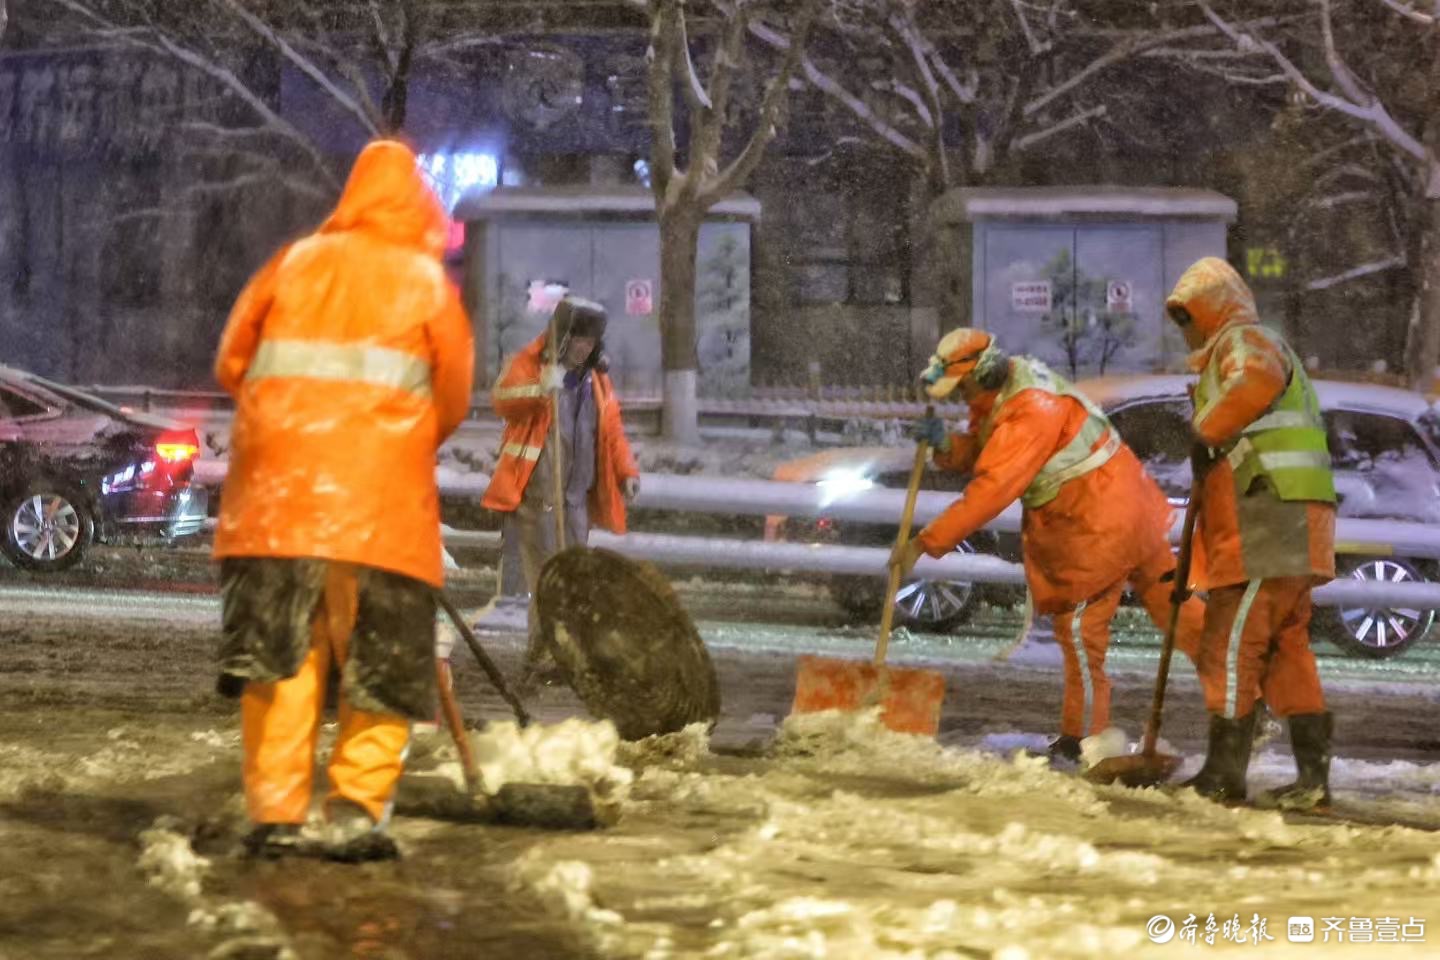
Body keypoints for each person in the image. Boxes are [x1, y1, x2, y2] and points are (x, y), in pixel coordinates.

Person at [212, 139, 474, 860]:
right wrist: (386, 440)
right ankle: (357, 807)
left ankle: (276, 813)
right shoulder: (425, 284)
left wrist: (289, 425)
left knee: (285, 660)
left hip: (275, 503)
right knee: (382, 658)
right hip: (382, 511)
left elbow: (233, 360)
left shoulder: (292, 264)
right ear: (416, 202)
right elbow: (450, 398)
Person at [891, 328, 1205, 764]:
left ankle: (1089, 741)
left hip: (1097, 521)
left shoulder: (1029, 410)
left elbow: (992, 488)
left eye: (961, 386)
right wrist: (948, 446)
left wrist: (926, 543)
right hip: (1124, 506)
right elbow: (988, 450)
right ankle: (1241, 693)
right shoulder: (1011, 386)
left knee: (1079, 630)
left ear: (981, 374)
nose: (959, 396)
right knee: (1176, 609)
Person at [1164, 256, 1336, 809]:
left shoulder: (1245, 340)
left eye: (1189, 316)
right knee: (1287, 651)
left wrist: (1204, 429)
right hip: (1289, 520)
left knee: (1229, 643)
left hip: (1269, 519)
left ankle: (1223, 772)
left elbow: (1253, 384)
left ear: (1212, 308)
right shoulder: (1243, 347)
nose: (1187, 328)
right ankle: (1313, 780)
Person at [480, 297, 640, 685]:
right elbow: (501, 399)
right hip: (539, 498)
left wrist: (625, 471)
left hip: (575, 499)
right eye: (578, 339)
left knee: (572, 579)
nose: (584, 347)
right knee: (549, 577)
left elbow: (612, 432)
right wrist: (541, 387)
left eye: (590, 340)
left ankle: (561, 652)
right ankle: (544, 655)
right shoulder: (531, 365)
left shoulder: (596, 381)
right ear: (562, 337)